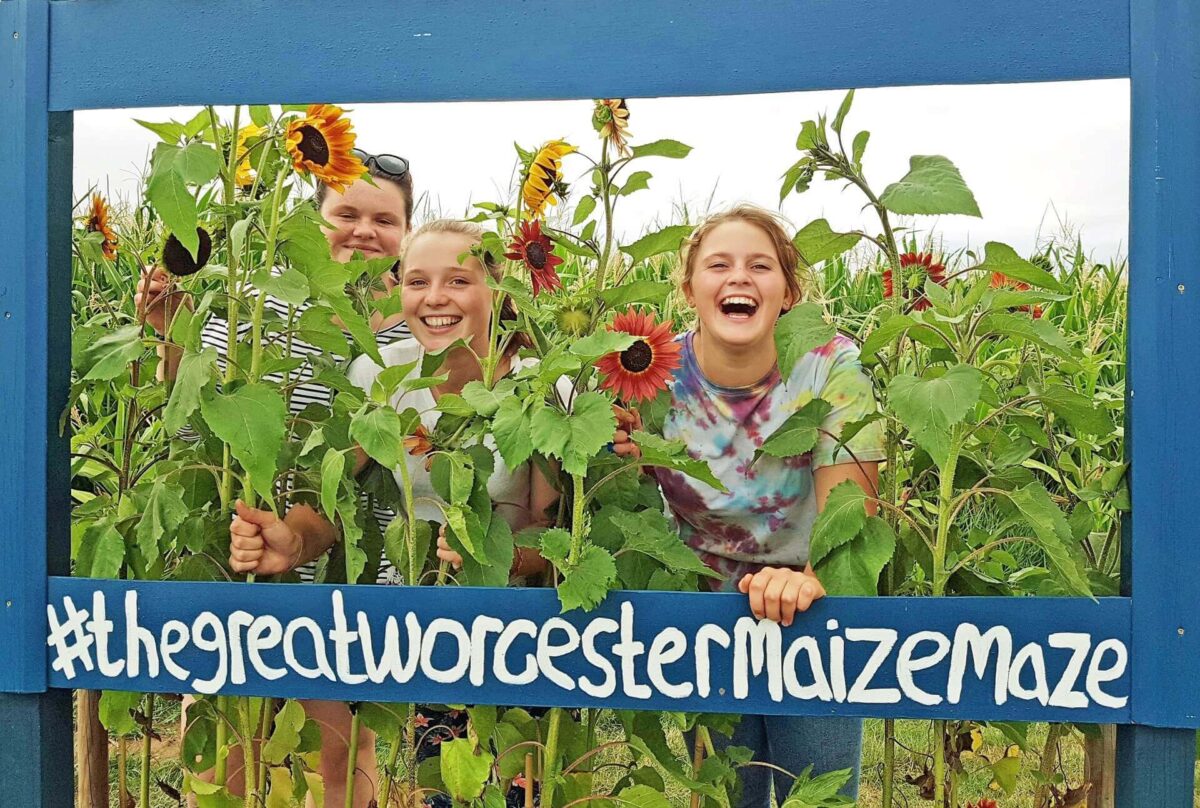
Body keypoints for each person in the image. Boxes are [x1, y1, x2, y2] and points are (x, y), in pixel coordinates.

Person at [228, 219, 562, 806]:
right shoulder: (381, 376)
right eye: (417, 280)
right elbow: (330, 500)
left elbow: (556, 530)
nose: (435, 298)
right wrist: (294, 542)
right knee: (438, 786)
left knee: (519, 790)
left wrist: (497, 552)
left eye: (458, 279)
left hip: (521, 632)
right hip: (419, 626)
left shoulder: (540, 388)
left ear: (496, 292)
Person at [137, 149, 415, 808]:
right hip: (241, 561)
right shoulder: (266, 300)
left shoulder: (416, 325)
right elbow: (198, 421)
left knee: (342, 759)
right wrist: (172, 333)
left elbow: (373, 456)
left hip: (356, 578)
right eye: (346, 211)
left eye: (385, 218)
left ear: (407, 231)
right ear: (313, 219)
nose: (364, 230)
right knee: (231, 750)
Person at [612, 204, 885, 805]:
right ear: (691, 289)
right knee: (722, 796)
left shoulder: (825, 364)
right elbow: (615, 499)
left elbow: (853, 505)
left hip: (816, 602)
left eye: (760, 266)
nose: (739, 277)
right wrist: (616, 454)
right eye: (719, 264)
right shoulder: (650, 373)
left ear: (787, 293)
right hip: (704, 612)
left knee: (820, 792)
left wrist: (811, 581)